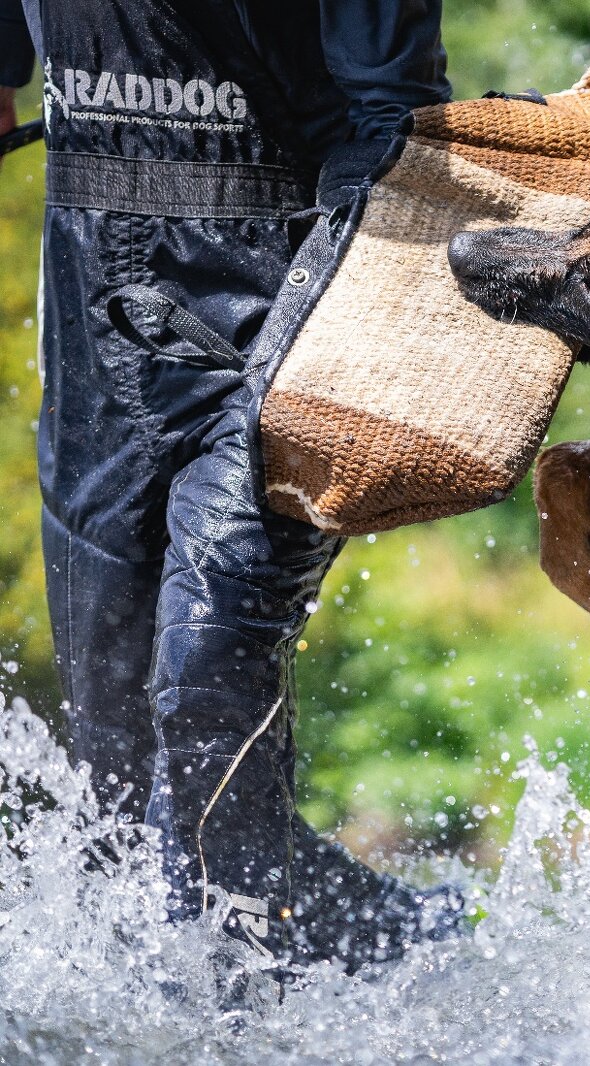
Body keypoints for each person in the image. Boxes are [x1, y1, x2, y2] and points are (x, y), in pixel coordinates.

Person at [0, 0, 462, 972]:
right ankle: (400, 942)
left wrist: (334, 357)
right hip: (92, 321)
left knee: (207, 675)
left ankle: (245, 1015)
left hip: (286, 302)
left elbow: (399, 125)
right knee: (116, 791)